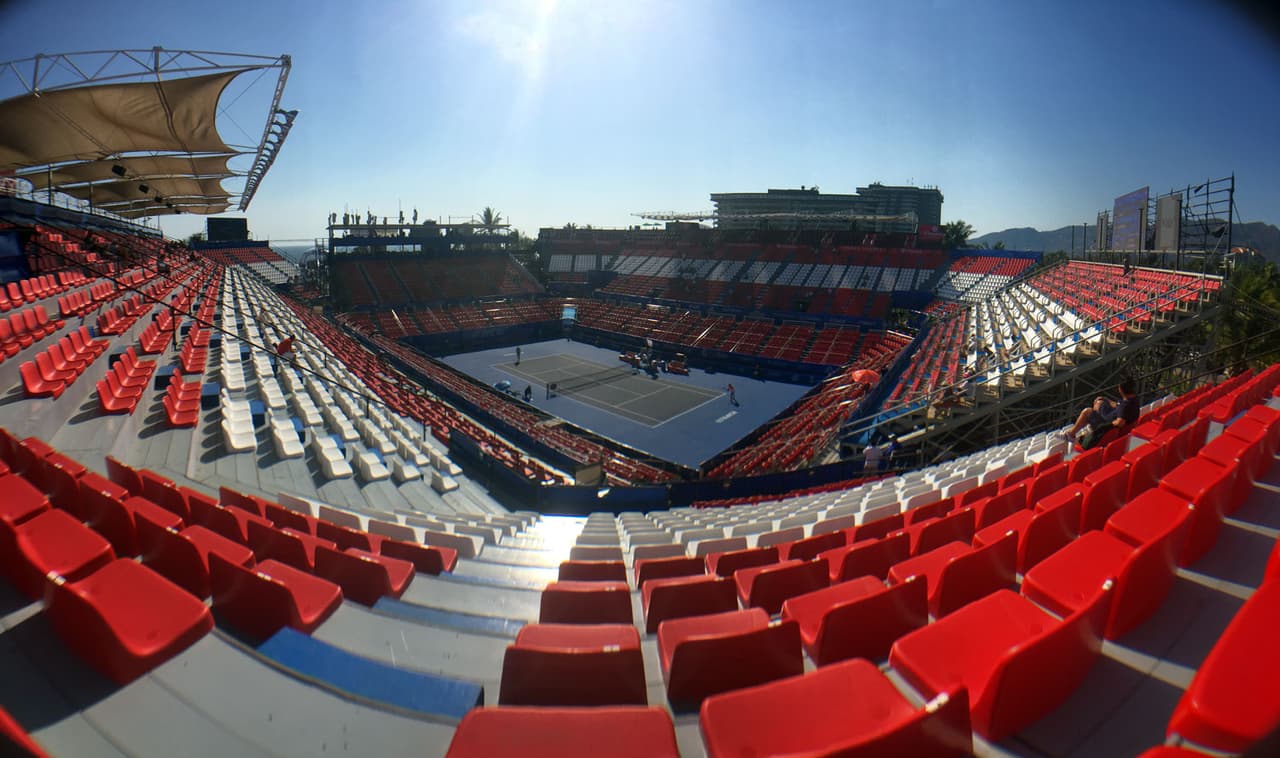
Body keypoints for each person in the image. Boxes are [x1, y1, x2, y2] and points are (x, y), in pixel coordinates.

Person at [1064, 377, 1140, 448]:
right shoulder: (1133, 400)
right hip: (1113, 416)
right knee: (1100, 402)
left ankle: (1071, 434)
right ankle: (1091, 424)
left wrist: (1103, 427)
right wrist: (1107, 400)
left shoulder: (1125, 407)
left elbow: (1120, 422)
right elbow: (1118, 405)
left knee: (1087, 411)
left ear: (1120, 389)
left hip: (1107, 424)